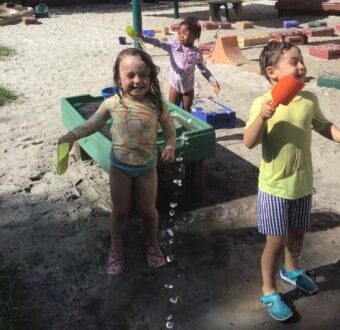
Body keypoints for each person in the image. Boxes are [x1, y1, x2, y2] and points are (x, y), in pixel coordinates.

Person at [243, 41, 340, 321]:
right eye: (293, 62)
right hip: (274, 187)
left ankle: (291, 270)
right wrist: (263, 117)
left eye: (301, 60)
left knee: (297, 234)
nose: (301, 65)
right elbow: (249, 142)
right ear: (272, 72)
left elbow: (324, 126)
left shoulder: (309, 99)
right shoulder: (262, 104)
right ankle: (269, 289)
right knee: (276, 241)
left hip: (301, 183)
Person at [58, 48, 176, 275]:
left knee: (148, 211)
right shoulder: (112, 103)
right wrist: (71, 136)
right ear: (119, 78)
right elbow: (91, 124)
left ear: (151, 77)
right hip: (120, 168)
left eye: (143, 75)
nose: (137, 80)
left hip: (146, 168)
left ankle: (152, 243)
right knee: (120, 211)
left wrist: (170, 145)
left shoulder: (157, 105)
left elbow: (170, 128)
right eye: (130, 75)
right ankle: (116, 249)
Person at [138, 16, 220, 112]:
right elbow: (159, 42)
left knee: (187, 110)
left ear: (195, 36)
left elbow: (203, 69)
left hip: (188, 87)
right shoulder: (173, 46)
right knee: (172, 110)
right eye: (179, 33)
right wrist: (144, 38)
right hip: (175, 86)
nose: (181, 36)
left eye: (185, 33)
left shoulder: (197, 53)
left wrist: (213, 81)